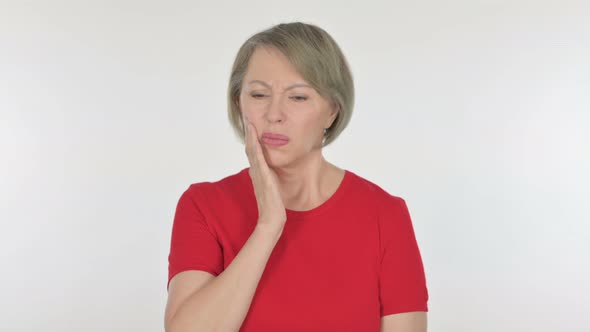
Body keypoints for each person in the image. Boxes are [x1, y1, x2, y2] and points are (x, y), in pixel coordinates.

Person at [164, 22, 429, 332]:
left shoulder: (385, 215)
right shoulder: (203, 205)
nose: (274, 114)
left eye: (298, 97)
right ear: (239, 102)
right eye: (259, 94)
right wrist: (268, 228)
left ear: (332, 110)